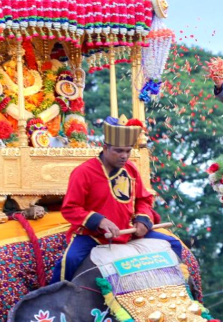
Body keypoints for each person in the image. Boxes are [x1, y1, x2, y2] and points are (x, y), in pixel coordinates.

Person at [52, 117, 181, 282]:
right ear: (105, 148)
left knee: (174, 244)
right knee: (69, 262)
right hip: (93, 236)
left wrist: (142, 220)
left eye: (128, 151)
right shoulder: (83, 172)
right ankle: (53, 301)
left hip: (129, 232)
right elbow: (70, 208)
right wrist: (99, 221)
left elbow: (143, 200)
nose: (124, 156)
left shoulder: (131, 169)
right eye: (119, 151)